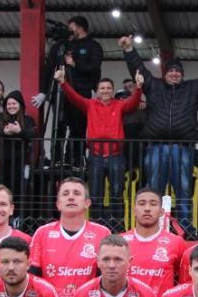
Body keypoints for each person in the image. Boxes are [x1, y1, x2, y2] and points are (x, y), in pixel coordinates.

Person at [123, 39, 198, 227]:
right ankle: (153, 225)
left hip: (183, 147)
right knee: (154, 189)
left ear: (182, 75)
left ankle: (184, 226)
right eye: (170, 71)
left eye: (177, 71)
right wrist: (128, 49)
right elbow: (138, 69)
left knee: (183, 188)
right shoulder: (153, 86)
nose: (174, 73)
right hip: (155, 146)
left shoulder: (192, 88)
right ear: (165, 74)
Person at [56, 66, 142, 217]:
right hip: (96, 155)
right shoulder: (90, 104)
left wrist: (139, 88)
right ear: (97, 91)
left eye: (108, 88)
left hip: (116, 155)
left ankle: (117, 225)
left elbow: (133, 104)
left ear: (113, 90)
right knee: (96, 194)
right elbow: (74, 98)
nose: (105, 90)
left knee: (117, 193)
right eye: (102, 88)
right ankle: (97, 224)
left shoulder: (119, 105)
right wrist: (63, 82)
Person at [123, 188, 187, 297]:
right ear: (134, 210)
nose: (147, 208)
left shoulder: (176, 243)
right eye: (142, 204)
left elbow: (185, 283)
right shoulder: (121, 242)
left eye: (153, 204)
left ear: (161, 212)